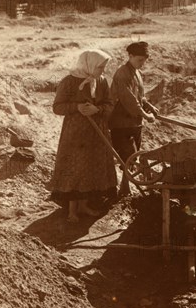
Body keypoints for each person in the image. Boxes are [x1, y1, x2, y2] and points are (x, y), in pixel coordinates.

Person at [50, 49, 117, 222]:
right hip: (75, 134)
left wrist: (98, 109)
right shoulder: (69, 81)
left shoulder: (101, 82)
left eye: (103, 67)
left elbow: (110, 104)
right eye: (100, 67)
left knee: (90, 169)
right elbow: (57, 107)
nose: (102, 71)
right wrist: (76, 107)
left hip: (96, 133)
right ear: (89, 64)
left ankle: (84, 206)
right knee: (76, 170)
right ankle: (72, 211)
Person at [109, 41, 159, 196]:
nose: (142, 64)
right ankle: (124, 188)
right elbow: (129, 99)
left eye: (144, 61)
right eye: (139, 60)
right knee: (127, 156)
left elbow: (140, 97)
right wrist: (145, 114)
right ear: (130, 56)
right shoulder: (122, 73)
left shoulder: (137, 72)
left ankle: (127, 187)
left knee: (133, 154)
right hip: (121, 122)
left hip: (135, 122)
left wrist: (149, 105)